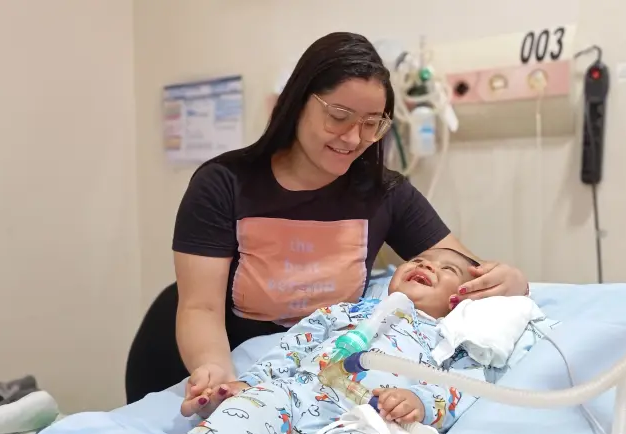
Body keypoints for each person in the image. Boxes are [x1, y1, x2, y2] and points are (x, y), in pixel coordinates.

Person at [124, 31, 528, 409]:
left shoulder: (385, 193)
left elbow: (464, 273)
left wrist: (512, 283)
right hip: (205, 358)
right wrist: (216, 374)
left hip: (311, 374)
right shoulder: (223, 184)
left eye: (371, 124)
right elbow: (200, 309)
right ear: (299, 101)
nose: (353, 139)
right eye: (339, 116)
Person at [91, 248, 480, 434]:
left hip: (368, 421)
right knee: (249, 412)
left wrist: (419, 403)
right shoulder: (345, 313)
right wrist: (252, 384)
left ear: (458, 299)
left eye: (447, 269)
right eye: (419, 260)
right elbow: (291, 348)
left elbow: (460, 389)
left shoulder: (451, 342)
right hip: (298, 395)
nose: (427, 265)